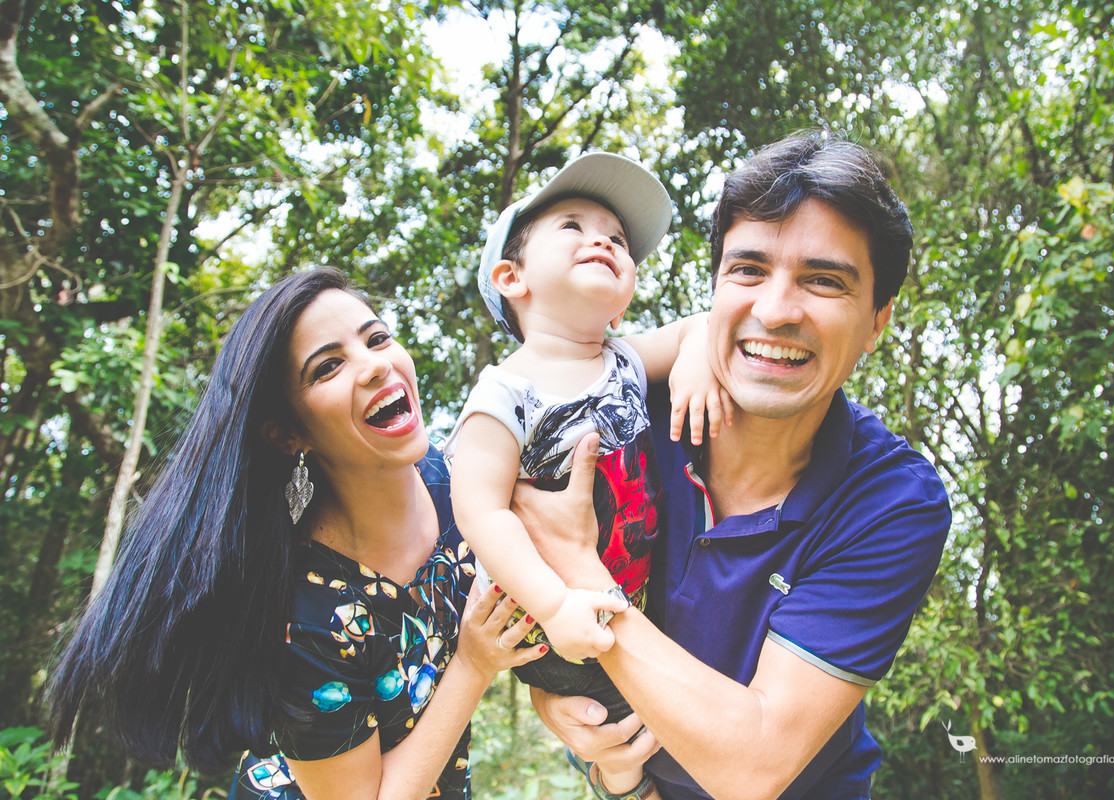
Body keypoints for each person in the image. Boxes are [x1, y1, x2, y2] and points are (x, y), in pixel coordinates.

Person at [518, 131, 952, 800]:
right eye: (748, 270)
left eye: (824, 280)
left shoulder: (891, 500)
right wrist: (590, 742)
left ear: (877, 322)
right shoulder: (627, 413)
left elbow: (754, 766)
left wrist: (580, 569)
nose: (774, 312)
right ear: (715, 290)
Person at [44, 268, 543, 800]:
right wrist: (472, 665)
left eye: (377, 338)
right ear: (287, 433)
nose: (376, 364)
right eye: (328, 366)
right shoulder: (305, 617)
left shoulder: (463, 491)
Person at [444, 152, 726, 794]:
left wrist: (694, 355)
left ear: (623, 302)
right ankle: (622, 777)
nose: (603, 240)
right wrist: (554, 603)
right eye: (572, 226)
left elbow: (701, 325)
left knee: (658, 697)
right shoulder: (505, 391)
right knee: (625, 721)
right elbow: (480, 510)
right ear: (512, 277)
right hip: (550, 617)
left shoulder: (624, 360)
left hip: (626, 585)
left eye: (617, 239)